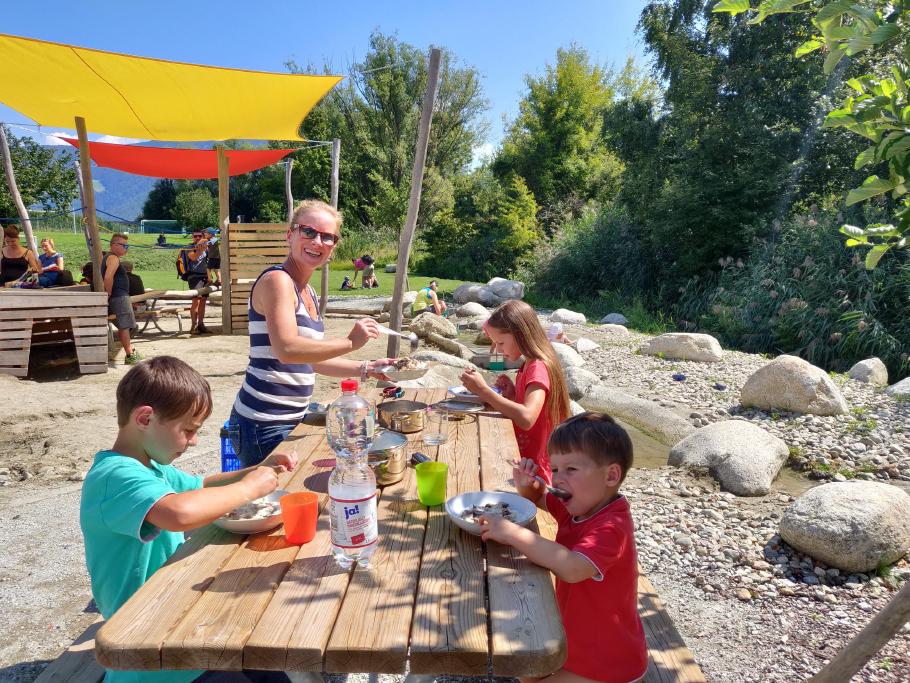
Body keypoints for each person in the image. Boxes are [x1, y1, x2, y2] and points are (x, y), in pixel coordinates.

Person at [80, 356, 297, 683]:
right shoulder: (114, 476)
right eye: (188, 430)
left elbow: (201, 486)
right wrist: (248, 488)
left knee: (271, 669)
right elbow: (179, 513)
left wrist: (256, 468)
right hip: (150, 651)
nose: (194, 441)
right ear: (145, 418)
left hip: (180, 621)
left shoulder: (150, 467)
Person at [478, 412, 648, 683]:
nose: (557, 479)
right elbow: (541, 498)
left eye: (571, 469)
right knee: (525, 670)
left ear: (611, 475)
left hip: (611, 661)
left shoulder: (612, 527)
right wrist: (528, 486)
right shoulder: (581, 505)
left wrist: (512, 533)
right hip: (578, 639)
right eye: (555, 469)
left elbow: (571, 568)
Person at [228, 200, 397, 467]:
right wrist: (350, 342)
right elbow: (287, 350)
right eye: (309, 232)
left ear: (333, 246)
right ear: (290, 234)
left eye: (327, 236)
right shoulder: (278, 281)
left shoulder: (308, 292)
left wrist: (366, 368)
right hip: (263, 423)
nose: (317, 241)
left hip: (290, 418)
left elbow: (309, 359)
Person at [459, 299, 570, 482]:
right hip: (526, 461)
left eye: (501, 343)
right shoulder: (528, 364)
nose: (499, 351)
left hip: (538, 471)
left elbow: (527, 418)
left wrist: (485, 391)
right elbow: (532, 409)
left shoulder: (538, 367)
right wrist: (512, 394)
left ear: (520, 334)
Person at [103, 233, 141, 364]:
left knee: (125, 325)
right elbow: (108, 277)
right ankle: (130, 354)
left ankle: (131, 351)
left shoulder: (110, 257)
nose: (126, 248)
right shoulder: (113, 258)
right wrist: (108, 293)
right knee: (125, 326)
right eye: (124, 245)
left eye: (127, 245)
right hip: (119, 296)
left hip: (118, 296)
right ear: (114, 245)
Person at [185, 230, 212, 334]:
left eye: (199, 236)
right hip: (194, 276)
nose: (197, 238)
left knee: (203, 301)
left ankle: (201, 324)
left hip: (204, 276)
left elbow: (207, 263)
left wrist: (209, 277)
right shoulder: (189, 247)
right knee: (196, 301)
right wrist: (200, 249)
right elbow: (193, 257)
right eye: (195, 236)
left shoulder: (207, 248)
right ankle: (193, 326)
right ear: (192, 237)